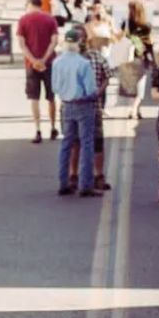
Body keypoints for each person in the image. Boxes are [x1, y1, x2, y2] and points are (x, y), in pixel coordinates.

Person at [51, 25, 103, 198]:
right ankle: (85, 185)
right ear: (80, 43)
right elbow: (90, 89)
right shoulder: (83, 63)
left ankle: (63, 182)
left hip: (66, 104)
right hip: (84, 105)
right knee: (87, 143)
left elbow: (55, 87)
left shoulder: (57, 62)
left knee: (66, 144)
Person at [16, 0, 60, 143]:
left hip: (31, 65)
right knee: (51, 97)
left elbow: (22, 44)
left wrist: (34, 60)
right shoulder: (50, 19)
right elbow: (54, 42)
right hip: (49, 63)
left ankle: (38, 130)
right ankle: (53, 127)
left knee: (34, 98)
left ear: (29, 4)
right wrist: (44, 59)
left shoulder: (23, 20)